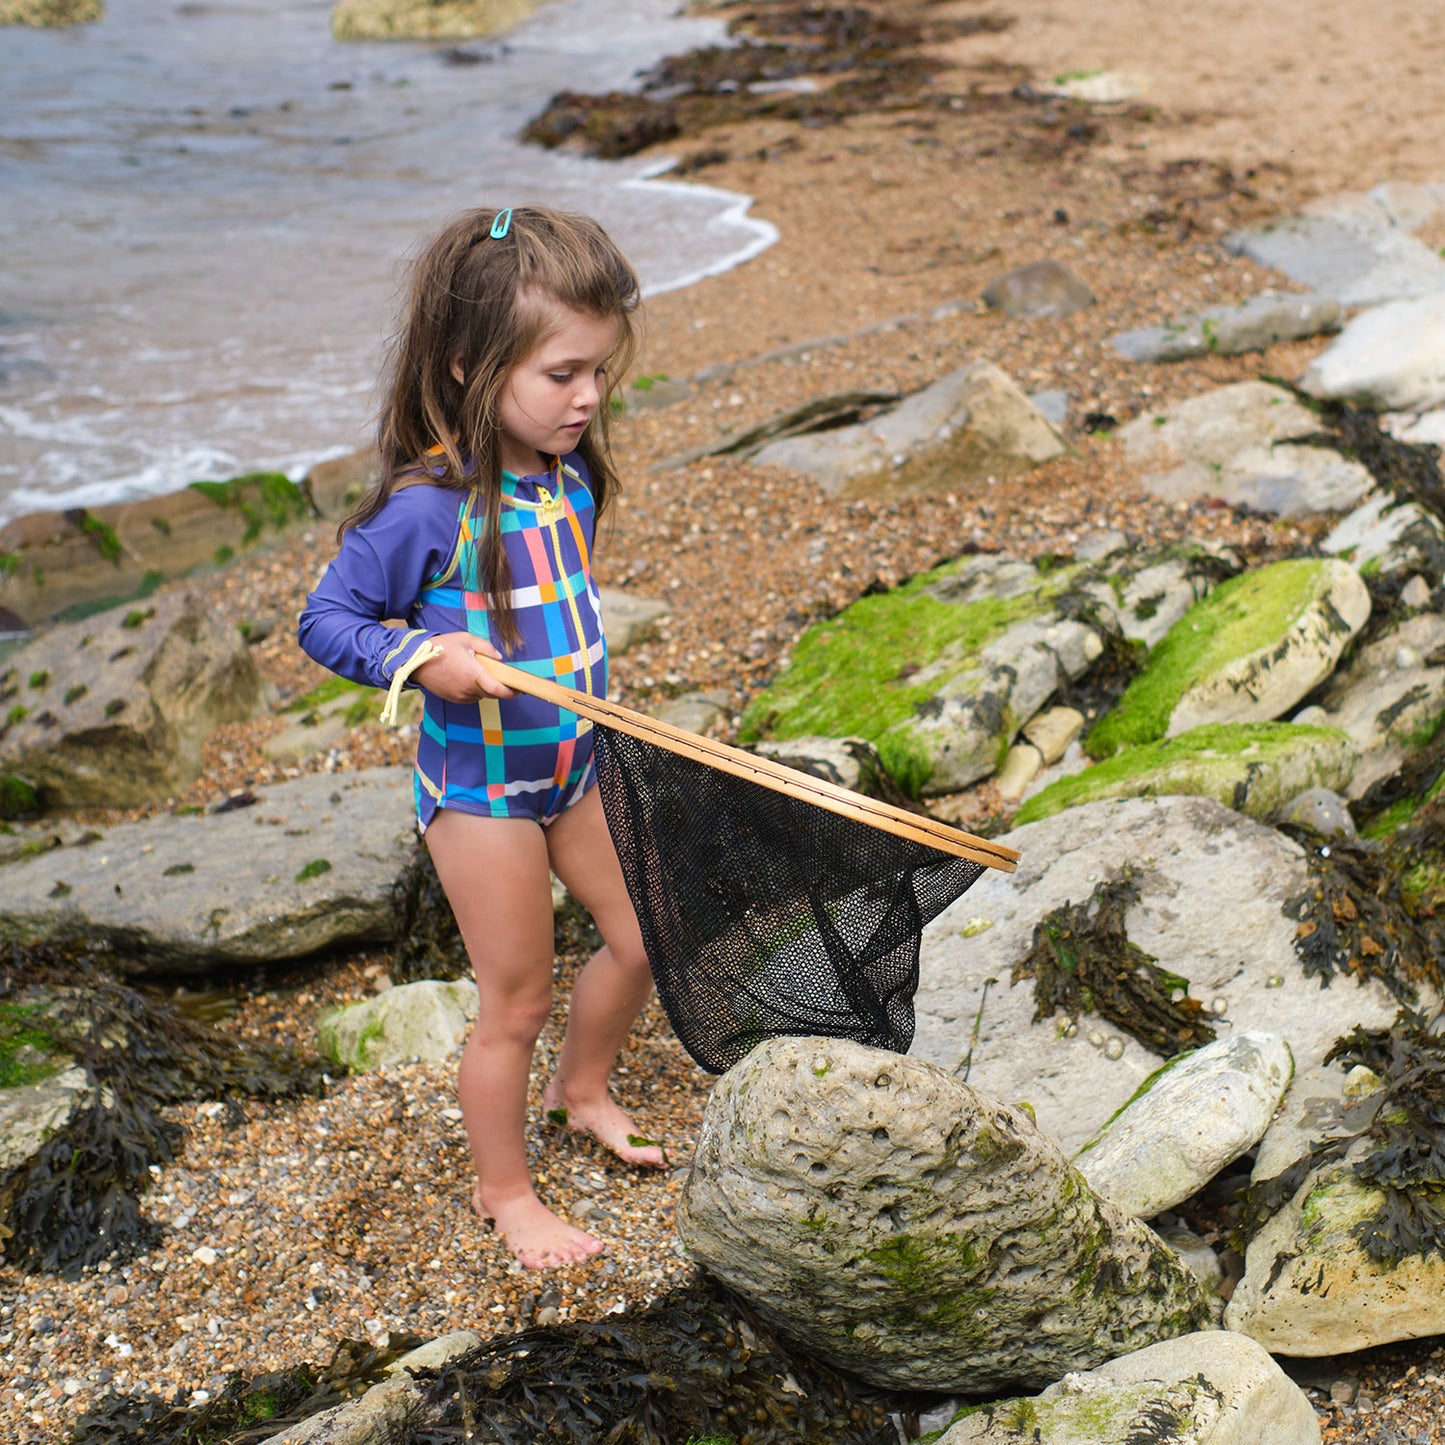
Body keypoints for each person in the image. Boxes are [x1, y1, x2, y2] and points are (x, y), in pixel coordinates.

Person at [298, 205, 664, 1269]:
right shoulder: (426, 505)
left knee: (642, 935)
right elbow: (327, 620)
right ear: (470, 363)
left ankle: (581, 1086)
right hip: (482, 794)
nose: (587, 396)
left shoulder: (571, 472)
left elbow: (562, 602)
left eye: (597, 369)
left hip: (575, 766)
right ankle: (503, 1191)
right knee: (514, 996)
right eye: (561, 373)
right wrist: (423, 657)